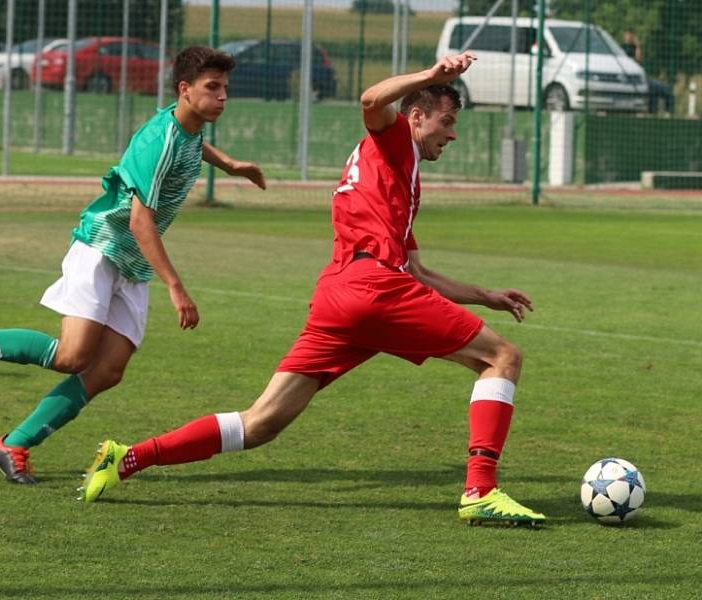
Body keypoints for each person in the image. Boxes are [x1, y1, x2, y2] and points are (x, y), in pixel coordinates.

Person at [79, 51, 546, 526]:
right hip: (374, 288)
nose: (452, 133)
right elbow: (369, 100)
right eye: (446, 121)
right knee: (502, 358)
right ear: (416, 116)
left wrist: (485, 294)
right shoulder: (395, 142)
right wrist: (431, 75)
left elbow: (420, 273)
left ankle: (129, 457)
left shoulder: (397, 178)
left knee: (260, 423)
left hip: (341, 295)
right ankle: (481, 490)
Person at [0, 45, 266, 485]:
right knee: (73, 356)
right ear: (184, 90)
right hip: (103, 247)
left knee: (106, 370)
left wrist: (230, 164)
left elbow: (193, 143)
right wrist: (176, 286)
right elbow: (141, 222)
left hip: (132, 265)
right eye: (212, 88)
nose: (222, 97)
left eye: (225, 89)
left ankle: (13, 443)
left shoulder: (187, 124)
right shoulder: (159, 142)